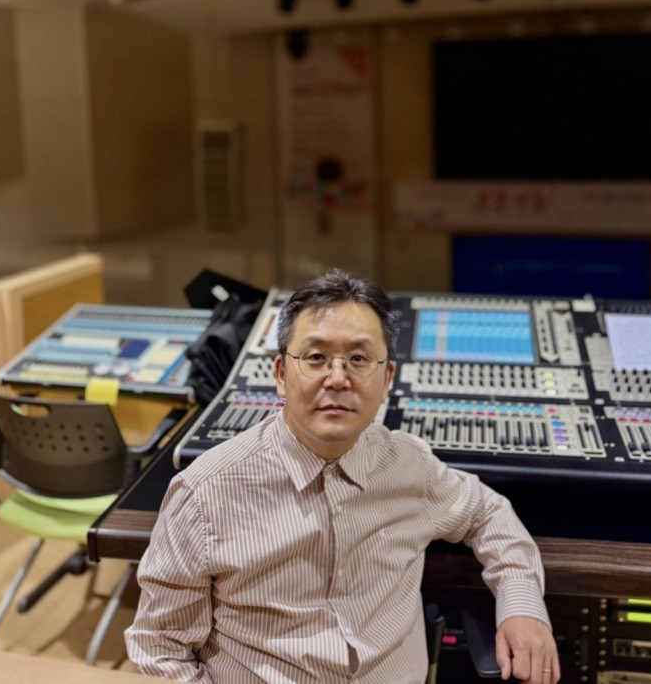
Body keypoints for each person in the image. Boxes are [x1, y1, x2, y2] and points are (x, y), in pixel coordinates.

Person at [125, 269, 561, 684]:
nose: (337, 379)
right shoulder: (205, 492)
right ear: (281, 374)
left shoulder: (410, 465)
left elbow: (488, 514)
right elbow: (160, 649)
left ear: (386, 378)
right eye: (316, 357)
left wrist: (521, 606)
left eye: (358, 358)